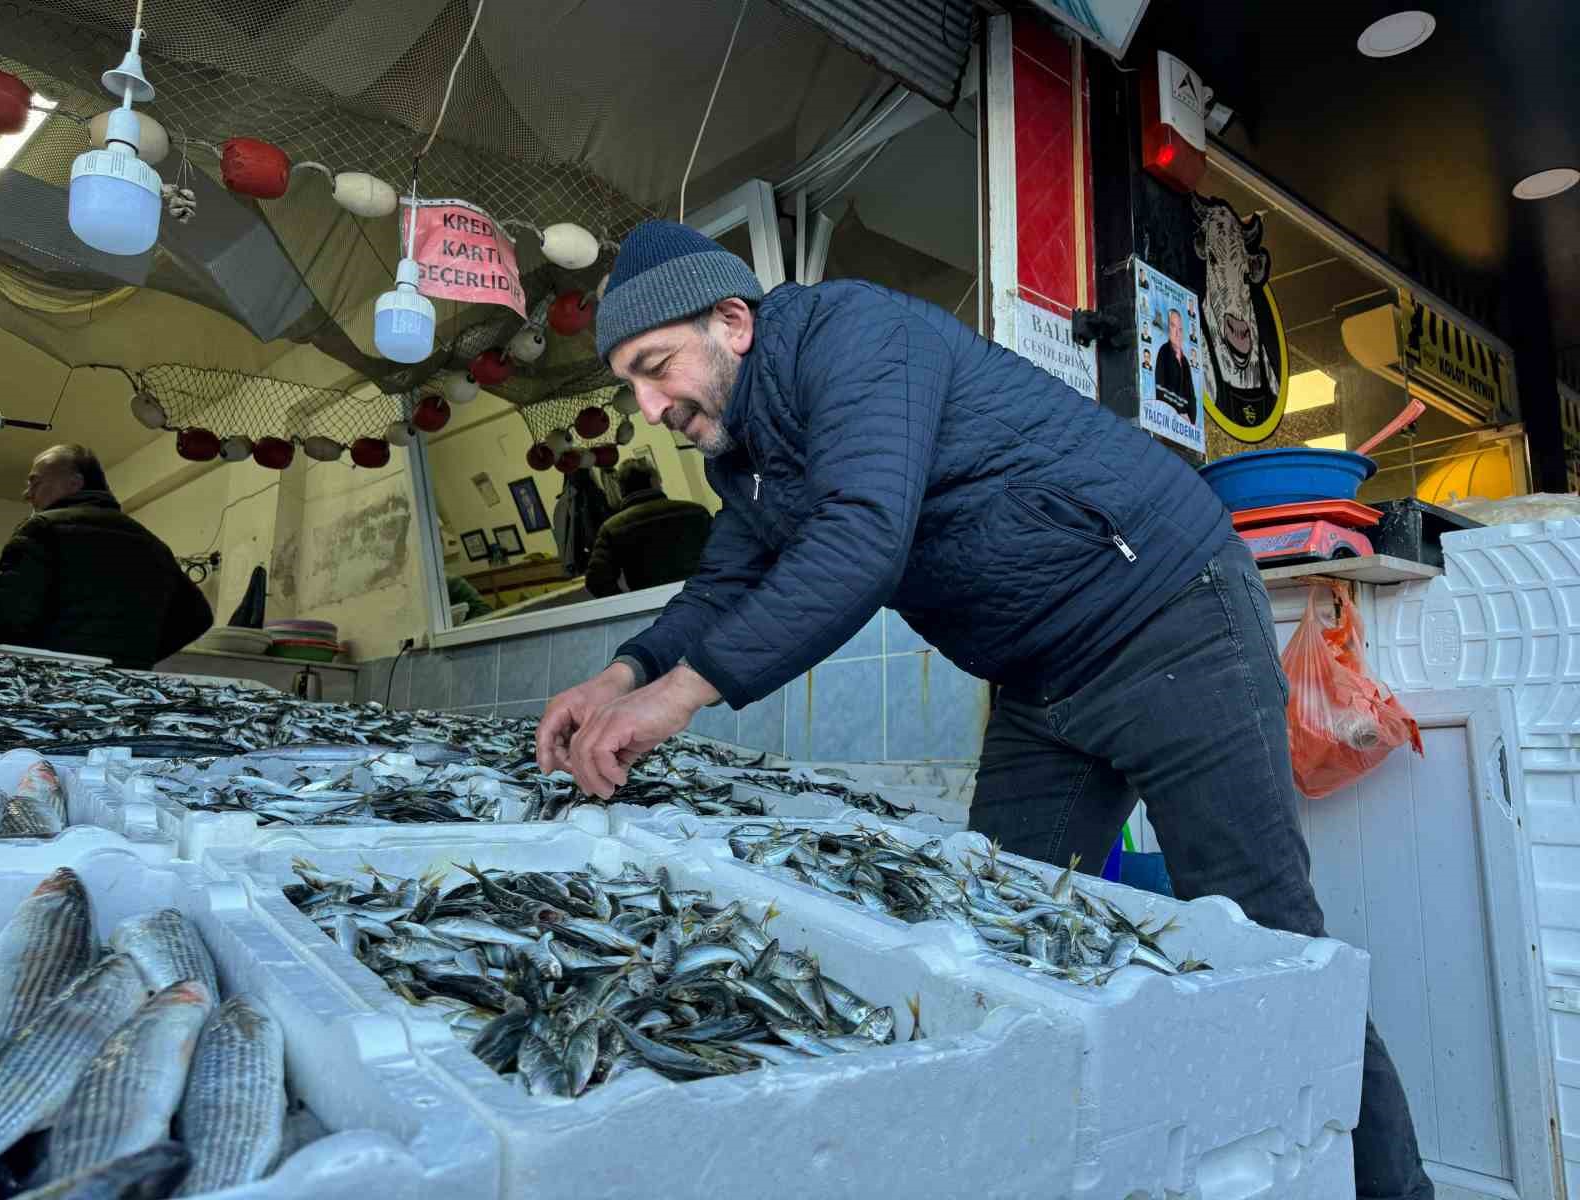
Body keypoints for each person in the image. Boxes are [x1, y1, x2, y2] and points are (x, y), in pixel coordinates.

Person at [534, 219, 1433, 1200]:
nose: (649, 403)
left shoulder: (857, 339)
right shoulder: (742, 457)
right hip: (1043, 683)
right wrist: (620, 674)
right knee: (994, 946)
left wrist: (681, 696)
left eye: (656, 368)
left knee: (1276, 953)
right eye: (631, 384)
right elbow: (722, 585)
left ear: (734, 323)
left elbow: (861, 540)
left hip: (1168, 622)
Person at [0, 444, 212, 669]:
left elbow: (4, 618)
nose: (27, 493)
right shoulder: (153, 545)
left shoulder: (42, 529)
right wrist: (134, 659)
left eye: (35, 482)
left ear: (74, 483)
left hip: (48, 683)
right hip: (119, 690)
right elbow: (198, 617)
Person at [584, 460, 712, 597]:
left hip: (652, 604)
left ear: (621, 488)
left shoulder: (612, 528)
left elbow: (596, 581)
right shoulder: (695, 512)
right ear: (654, 481)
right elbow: (728, 549)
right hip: (702, 595)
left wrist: (630, 603)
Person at [1154, 307, 1199, 419]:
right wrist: (1175, 413)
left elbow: (1192, 397)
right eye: (1173, 326)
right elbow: (1159, 388)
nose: (1177, 333)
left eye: (1180, 329)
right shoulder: (1163, 352)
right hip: (1169, 419)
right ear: (1168, 329)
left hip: (1185, 425)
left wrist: (1190, 420)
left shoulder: (1185, 362)